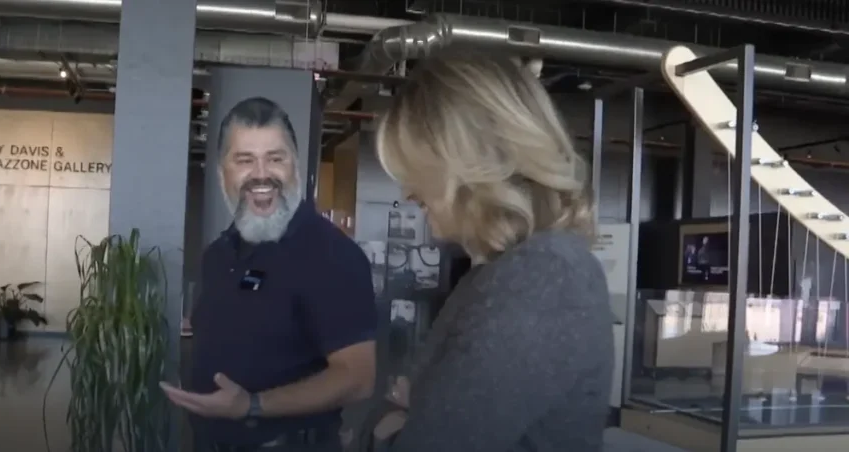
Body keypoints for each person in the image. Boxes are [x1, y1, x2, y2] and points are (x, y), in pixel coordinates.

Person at [370, 49, 614, 451]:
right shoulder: (507, 273)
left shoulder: (541, 279)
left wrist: (387, 427)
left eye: (418, 172)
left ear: (473, 164)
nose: (409, 193)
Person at [161, 96, 377, 452]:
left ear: (295, 165)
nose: (261, 173)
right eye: (244, 160)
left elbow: (357, 377)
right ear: (221, 173)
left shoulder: (331, 254)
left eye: (275, 158)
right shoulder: (219, 254)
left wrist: (252, 404)